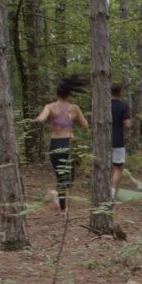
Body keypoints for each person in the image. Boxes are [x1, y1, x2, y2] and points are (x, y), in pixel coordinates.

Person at [34, 75, 90, 212]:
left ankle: (62, 206)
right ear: (69, 93)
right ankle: (58, 198)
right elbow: (85, 126)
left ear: (57, 93)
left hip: (55, 145)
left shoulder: (50, 106)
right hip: (69, 144)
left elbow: (41, 118)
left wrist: (42, 120)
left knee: (60, 176)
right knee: (68, 178)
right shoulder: (74, 108)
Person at [110, 84, 133, 199]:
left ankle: (104, 188)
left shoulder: (104, 105)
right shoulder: (123, 106)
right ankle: (112, 190)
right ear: (120, 93)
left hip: (103, 141)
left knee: (106, 166)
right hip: (118, 140)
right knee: (117, 168)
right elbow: (128, 124)